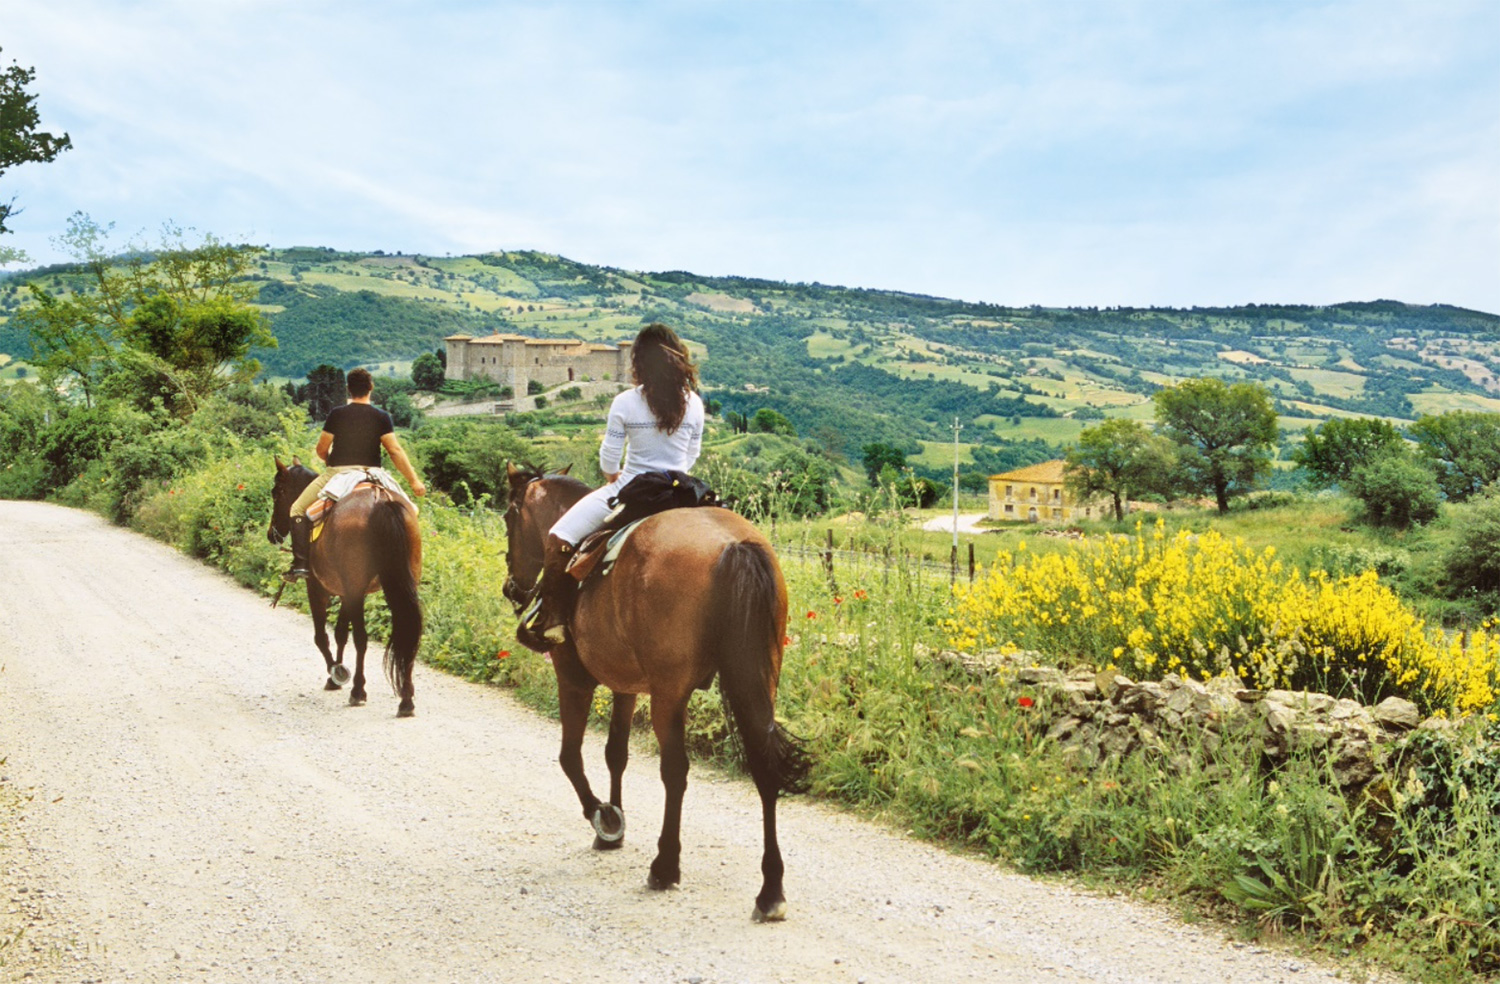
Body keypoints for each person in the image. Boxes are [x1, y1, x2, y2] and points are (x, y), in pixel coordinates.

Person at [517, 323, 703, 650]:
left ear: (639, 362)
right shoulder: (694, 403)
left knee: (559, 537)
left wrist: (612, 477)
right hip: (682, 490)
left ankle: (553, 620)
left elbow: (609, 460)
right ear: (678, 358)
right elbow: (691, 455)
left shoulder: (626, 402)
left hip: (633, 487)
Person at [284, 367, 427, 581]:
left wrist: (328, 461)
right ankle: (412, 564)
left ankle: (301, 564)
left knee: (297, 508)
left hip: (339, 472)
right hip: (375, 474)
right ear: (371, 388)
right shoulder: (382, 417)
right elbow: (395, 450)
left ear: (348, 390)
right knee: (409, 512)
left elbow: (321, 449)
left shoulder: (337, 414)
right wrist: (414, 481)